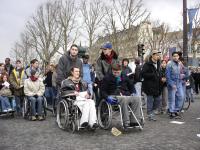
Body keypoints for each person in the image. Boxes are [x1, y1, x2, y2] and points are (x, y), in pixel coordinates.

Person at [101, 63, 142, 130]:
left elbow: (131, 86)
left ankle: (134, 121)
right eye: (114, 72)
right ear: (112, 70)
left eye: (118, 72)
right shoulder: (107, 78)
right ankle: (126, 122)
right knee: (124, 99)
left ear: (120, 70)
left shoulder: (124, 76)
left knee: (137, 98)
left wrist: (133, 92)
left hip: (125, 94)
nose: (116, 74)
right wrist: (107, 97)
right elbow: (102, 91)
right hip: (114, 95)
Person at [141, 50, 162, 121]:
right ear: (152, 55)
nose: (157, 56)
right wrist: (153, 75)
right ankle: (150, 114)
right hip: (149, 86)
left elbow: (159, 73)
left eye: (158, 55)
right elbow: (143, 74)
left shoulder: (159, 64)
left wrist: (161, 78)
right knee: (150, 101)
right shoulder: (147, 64)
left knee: (158, 100)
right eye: (156, 55)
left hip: (157, 85)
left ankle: (151, 112)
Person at [166, 51, 184, 119]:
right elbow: (167, 76)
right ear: (172, 57)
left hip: (179, 83)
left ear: (178, 56)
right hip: (172, 83)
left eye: (177, 56)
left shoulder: (179, 64)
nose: (176, 57)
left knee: (181, 96)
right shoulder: (169, 64)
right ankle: (171, 112)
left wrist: (183, 76)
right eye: (174, 56)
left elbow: (182, 72)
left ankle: (176, 110)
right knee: (172, 99)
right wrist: (171, 84)